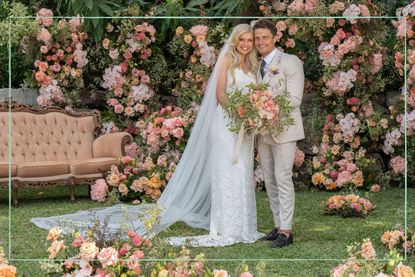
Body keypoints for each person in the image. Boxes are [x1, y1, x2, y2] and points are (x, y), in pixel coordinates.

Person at [31, 24, 263, 247]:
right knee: (227, 170)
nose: (245, 44)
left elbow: (255, 95)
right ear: (235, 42)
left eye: (249, 41)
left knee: (242, 171)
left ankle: (243, 226)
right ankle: (226, 226)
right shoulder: (226, 60)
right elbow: (220, 94)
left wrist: (251, 115)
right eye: (241, 40)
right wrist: (238, 112)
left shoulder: (253, 65)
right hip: (225, 124)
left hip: (245, 128)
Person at [253, 19, 305, 248]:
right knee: (270, 180)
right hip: (263, 132)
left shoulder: (291, 62)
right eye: (257, 38)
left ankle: (287, 231)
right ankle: (277, 225)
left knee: (283, 178)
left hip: (284, 130)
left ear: (275, 37)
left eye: (265, 37)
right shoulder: (255, 65)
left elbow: (294, 99)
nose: (260, 42)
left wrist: (266, 106)